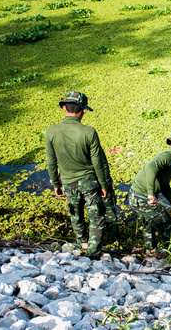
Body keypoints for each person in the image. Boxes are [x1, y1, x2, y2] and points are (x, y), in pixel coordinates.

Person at [45, 91, 109, 258]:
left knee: (76, 213)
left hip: (68, 182)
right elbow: (97, 163)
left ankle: (82, 242)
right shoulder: (89, 132)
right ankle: (94, 251)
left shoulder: (51, 132)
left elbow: (51, 162)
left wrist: (56, 184)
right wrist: (103, 185)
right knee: (96, 215)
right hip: (89, 182)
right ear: (83, 110)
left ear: (64, 108)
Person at [128, 130, 171, 253]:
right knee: (168, 225)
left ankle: (151, 251)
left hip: (136, 196)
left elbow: (164, 186)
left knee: (149, 225)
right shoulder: (170, 156)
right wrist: (151, 194)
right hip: (141, 197)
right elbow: (150, 167)